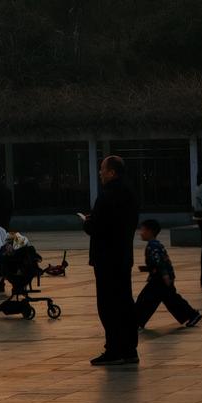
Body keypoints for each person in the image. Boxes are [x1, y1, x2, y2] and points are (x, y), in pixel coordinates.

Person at [83, 154, 140, 366]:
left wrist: (88, 223)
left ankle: (114, 349)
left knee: (108, 305)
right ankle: (129, 349)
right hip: (123, 256)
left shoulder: (107, 195)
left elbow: (97, 227)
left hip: (107, 259)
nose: (100, 173)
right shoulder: (130, 194)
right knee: (125, 303)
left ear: (112, 172)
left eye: (102, 169)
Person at [135, 219, 202, 331]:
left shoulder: (153, 246)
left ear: (150, 231)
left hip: (159, 279)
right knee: (170, 299)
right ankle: (192, 315)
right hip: (162, 277)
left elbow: (160, 262)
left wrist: (165, 275)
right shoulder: (156, 244)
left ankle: (136, 321)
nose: (140, 233)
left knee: (145, 299)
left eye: (142, 230)